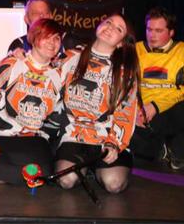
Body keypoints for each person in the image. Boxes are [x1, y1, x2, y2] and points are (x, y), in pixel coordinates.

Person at [54, 14, 139, 194]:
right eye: (108, 22)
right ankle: (87, 169)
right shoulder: (71, 57)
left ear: (121, 42)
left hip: (106, 139)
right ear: (99, 25)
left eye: (118, 29)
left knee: (114, 184)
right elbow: (43, 74)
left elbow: (126, 113)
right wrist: (22, 56)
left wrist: (114, 144)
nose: (110, 28)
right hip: (74, 136)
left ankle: (100, 168)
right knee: (66, 180)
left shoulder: (125, 72)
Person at [0, 18, 66, 184]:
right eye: (46, 37)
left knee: (45, 173)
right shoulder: (11, 64)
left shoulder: (59, 74)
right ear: (34, 37)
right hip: (2, 134)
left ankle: (13, 171)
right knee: (0, 170)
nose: (52, 43)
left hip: (34, 139)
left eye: (56, 38)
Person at [130, 7, 184, 171]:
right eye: (149, 29)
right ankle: (161, 149)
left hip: (172, 109)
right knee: (136, 148)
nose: (152, 35)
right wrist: (133, 110)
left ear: (171, 32)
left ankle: (178, 153)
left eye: (158, 31)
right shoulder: (134, 50)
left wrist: (157, 106)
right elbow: (123, 84)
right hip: (142, 113)